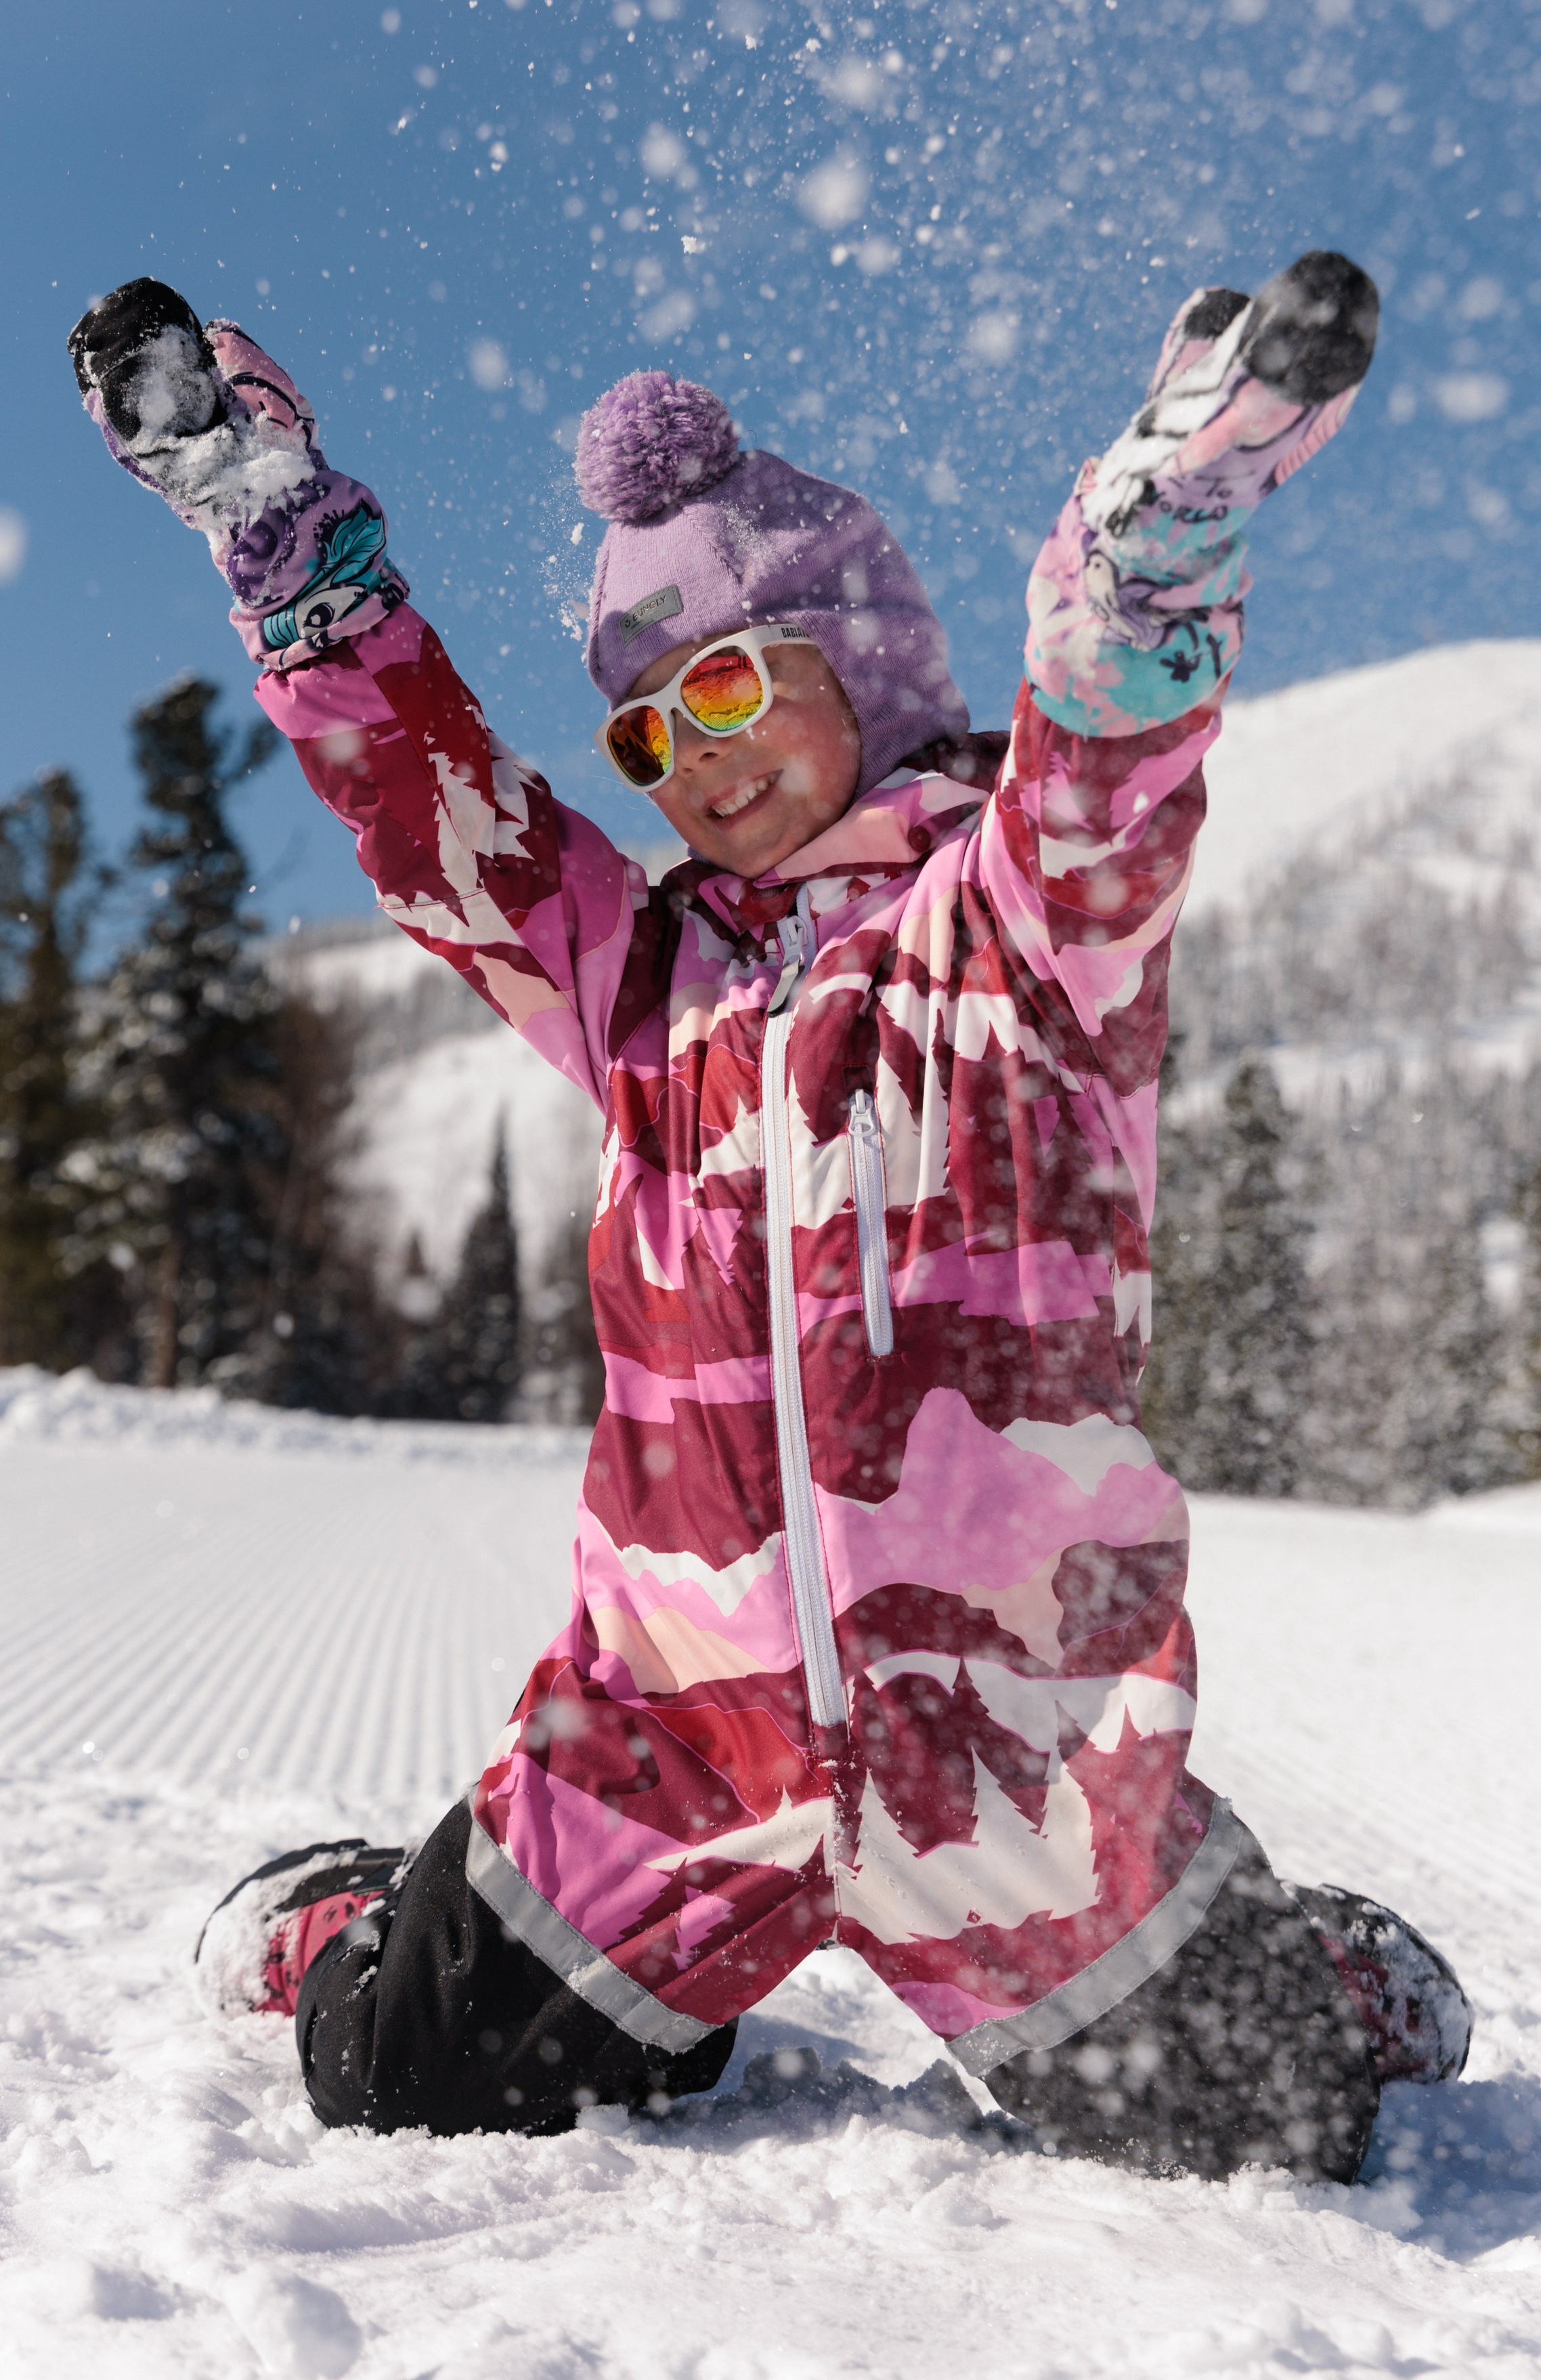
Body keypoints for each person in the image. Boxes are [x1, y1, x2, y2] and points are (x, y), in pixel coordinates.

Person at [68, 255, 1470, 2180]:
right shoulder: (646, 993)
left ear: (862, 655)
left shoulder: (1025, 936)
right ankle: (371, 1911)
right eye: (648, 731)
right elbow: (439, 812)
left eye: (728, 685)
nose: (696, 755)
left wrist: (1156, 538)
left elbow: (1112, 754)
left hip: (1015, 1768)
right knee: (404, 2071)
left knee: (1273, 2124)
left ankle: (1303, 1965)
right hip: (673, 1757)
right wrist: (280, 540)